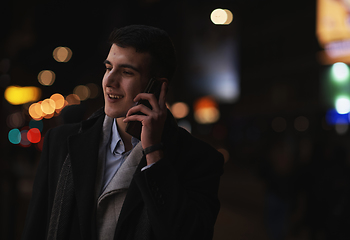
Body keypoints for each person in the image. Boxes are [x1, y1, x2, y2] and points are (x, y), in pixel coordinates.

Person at [22, 25, 224, 240]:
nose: (109, 81)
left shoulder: (200, 159)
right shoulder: (61, 141)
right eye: (109, 68)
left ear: (156, 87)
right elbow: (36, 227)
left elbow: (189, 234)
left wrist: (154, 153)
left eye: (126, 72)